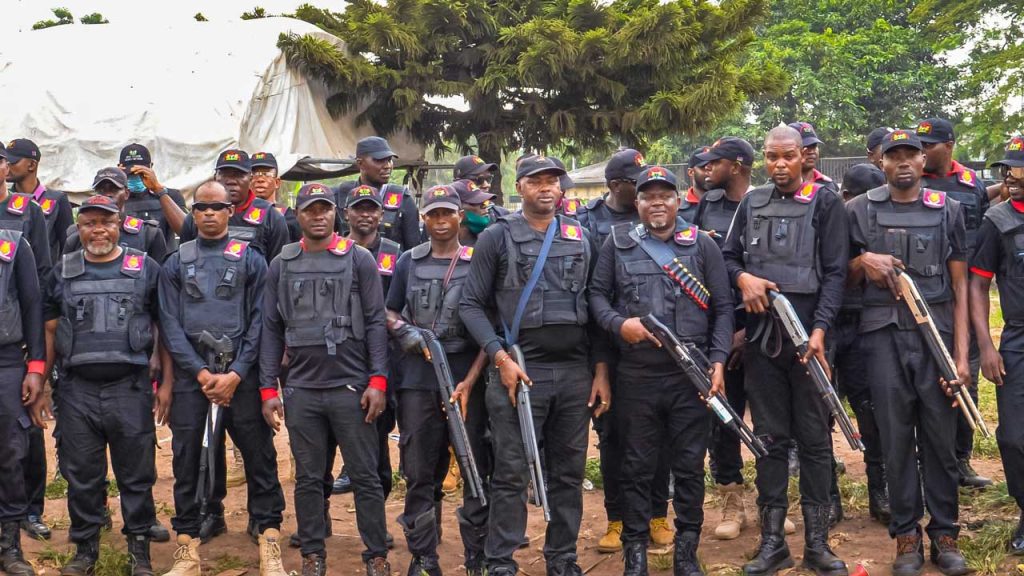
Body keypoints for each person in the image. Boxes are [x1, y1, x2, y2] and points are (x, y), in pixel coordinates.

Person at [459, 155, 611, 576]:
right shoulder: (496, 237)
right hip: (519, 372)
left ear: (561, 189)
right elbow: (471, 305)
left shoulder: (581, 236)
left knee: (568, 471)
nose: (546, 187)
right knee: (510, 471)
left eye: (552, 181)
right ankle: (500, 560)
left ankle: (562, 558)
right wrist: (500, 357)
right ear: (520, 187)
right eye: (536, 181)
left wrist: (600, 371)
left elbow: (598, 306)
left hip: (575, 373)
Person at [590, 165, 734, 576]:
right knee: (636, 465)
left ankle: (687, 551)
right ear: (636, 203)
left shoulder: (701, 247)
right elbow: (597, 297)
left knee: (689, 465)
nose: (657, 202)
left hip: (691, 376)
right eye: (648, 196)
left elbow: (723, 309)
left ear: (678, 200)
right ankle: (635, 551)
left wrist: (720, 361)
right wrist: (621, 325)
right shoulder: (617, 245)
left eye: (665, 195)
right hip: (637, 375)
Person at [722, 125, 849, 576]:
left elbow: (836, 273)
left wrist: (820, 331)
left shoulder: (827, 202)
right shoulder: (751, 203)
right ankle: (772, 542)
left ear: (804, 158)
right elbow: (727, 258)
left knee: (815, 442)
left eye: (788, 156)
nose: (779, 164)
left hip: (810, 344)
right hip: (762, 344)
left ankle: (817, 544)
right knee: (769, 441)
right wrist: (744, 279)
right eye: (772, 156)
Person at [847, 129, 971, 576]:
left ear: (924, 162)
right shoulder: (858, 211)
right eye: (893, 155)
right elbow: (838, 278)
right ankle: (905, 537)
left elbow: (960, 287)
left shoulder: (949, 210)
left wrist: (960, 357)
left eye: (910, 155)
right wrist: (863, 263)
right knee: (895, 437)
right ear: (880, 162)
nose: (902, 162)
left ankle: (944, 533)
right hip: (881, 338)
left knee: (940, 436)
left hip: (934, 337)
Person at [260, 183, 392, 576]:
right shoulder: (281, 263)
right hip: (302, 391)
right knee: (308, 479)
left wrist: (378, 380)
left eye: (325, 209)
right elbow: (270, 329)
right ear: (297, 215)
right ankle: (312, 555)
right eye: (309, 210)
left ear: (336, 214)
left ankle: (376, 556)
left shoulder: (360, 259)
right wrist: (269, 389)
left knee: (366, 477)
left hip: (352, 388)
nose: (318, 216)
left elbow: (375, 323)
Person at [157, 181, 287, 576]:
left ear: (230, 211)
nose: (210, 214)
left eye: (217, 207)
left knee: (259, 457)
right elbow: (169, 325)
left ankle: (268, 538)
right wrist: (199, 373)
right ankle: (188, 545)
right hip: (192, 381)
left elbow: (261, 323)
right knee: (188, 460)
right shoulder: (176, 262)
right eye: (202, 208)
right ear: (193, 214)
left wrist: (235, 374)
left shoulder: (251, 259)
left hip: (240, 381)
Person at [40, 195, 169, 576]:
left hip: (129, 388)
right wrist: (44, 381)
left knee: (137, 473)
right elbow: (49, 330)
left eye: (106, 222)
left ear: (120, 223)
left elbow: (165, 325)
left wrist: (165, 381)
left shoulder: (144, 267)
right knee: (82, 475)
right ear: (78, 229)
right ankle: (85, 549)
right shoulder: (62, 271)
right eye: (89, 223)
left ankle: (139, 550)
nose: (98, 229)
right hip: (76, 389)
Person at [385, 185, 490, 576]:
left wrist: (473, 379)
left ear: (460, 216)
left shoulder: (476, 261)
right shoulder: (409, 261)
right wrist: (404, 332)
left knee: (474, 464)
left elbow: (489, 326)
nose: (441, 221)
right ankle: (424, 555)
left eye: (448, 213)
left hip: (466, 378)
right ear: (423, 218)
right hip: (417, 378)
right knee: (419, 467)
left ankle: (475, 555)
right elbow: (389, 311)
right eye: (434, 214)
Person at [575, 148, 675, 552]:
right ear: (618, 186)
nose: (648, 193)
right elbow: (591, 292)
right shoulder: (586, 222)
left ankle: (656, 515)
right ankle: (617, 518)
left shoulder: (659, 221)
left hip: (657, 351)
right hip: (608, 343)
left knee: (660, 436)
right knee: (613, 436)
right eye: (637, 184)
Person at [915, 117, 992, 488]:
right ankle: (926, 457)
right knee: (925, 381)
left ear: (949, 145)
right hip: (925, 296)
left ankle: (961, 459)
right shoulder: (914, 183)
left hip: (962, 295)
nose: (923, 152)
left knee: (966, 377)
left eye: (929, 145)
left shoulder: (970, 183)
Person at [694, 137, 757, 540]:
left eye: (713, 163)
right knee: (724, 419)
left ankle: (771, 502)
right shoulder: (707, 205)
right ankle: (732, 502)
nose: (705, 169)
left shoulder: (767, 203)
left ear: (735, 165)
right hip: (720, 332)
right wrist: (723, 335)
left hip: (764, 331)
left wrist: (749, 333)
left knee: (770, 422)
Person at [969, 135, 1024, 555]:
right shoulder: (998, 220)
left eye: (1020, 169)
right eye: (1008, 170)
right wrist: (986, 345)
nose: (1013, 177)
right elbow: (977, 283)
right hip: (1018, 339)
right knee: (1013, 437)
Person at [329, 184, 401, 502]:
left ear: (381, 214)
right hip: (344, 354)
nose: (365, 214)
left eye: (371, 208)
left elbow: (402, 303)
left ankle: (377, 505)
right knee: (335, 429)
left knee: (379, 430)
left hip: (386, 354)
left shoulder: (395, 253)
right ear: (346, 213)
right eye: (359, 208)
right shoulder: (333, 252)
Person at [831, 164, 890, 526]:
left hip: (864, 325)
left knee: (870, 411)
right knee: (820, 411)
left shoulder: (882, 221)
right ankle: (827, 496)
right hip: (827, 325)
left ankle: (879, 488)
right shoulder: (829, 219)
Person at [0, 141, 53, 545]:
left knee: (21, 440)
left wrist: (39, 362)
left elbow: (39, 287)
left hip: (12, 350)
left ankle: (27, 515)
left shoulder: (26, 213)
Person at [178, 150, 289, 264]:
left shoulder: (271, 217)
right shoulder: (198, 214)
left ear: (250, 178)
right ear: (215, 177)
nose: (231, 181)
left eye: (239, 175)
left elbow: (278, 269)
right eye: (225, 175)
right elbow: (183, 263)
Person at [63, 168, 168, 263]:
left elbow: (159, 277)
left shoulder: (148, 233)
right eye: (102, 190)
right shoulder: (76, 234)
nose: (108, 194)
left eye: (114, 189)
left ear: (126, 194)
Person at [335, 137, 419, 250]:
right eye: (379, 160)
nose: (387, 166)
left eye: (389, 160)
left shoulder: (402, 199)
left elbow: (413, 249)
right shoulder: (340, 195)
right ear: (360, 163)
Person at [5, 138, 73, 264]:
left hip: (44, 279)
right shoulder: (5, 200)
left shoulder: (57, 200)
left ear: (32, 165)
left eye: (13, 162)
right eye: (5, 161)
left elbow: (68, 248)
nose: (7, 166)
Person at [118, 143, 189, 250]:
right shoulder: (115, 197)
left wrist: (158, 190)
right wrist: (116, 184)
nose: (136, 176)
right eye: (130, 173)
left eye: (141, 172)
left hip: (163, 261)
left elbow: (186, 232)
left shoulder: (171, 196)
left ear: (151, 167)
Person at [250, 152, 301, 243]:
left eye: (267, 174)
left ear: (277, 182)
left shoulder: (288, 216)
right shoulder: (237, 214)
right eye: (255, 174)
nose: (260, 179)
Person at [788, 122, 839, 196]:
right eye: (805, 147)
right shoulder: (780, 186)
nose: (811, 152)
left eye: (814, 146)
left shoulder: (829, 185)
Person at [451, 179, 500, 246]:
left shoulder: (493, 243)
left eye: (485, 203)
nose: (485, 208)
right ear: (458, 210)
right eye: (475, 203)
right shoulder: (440, 248)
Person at [681, 147, 710, 223]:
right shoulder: (677, 211)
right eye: (704, 167)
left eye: (714, 166)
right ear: (691, 172)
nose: (710, 171)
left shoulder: (731, 205)